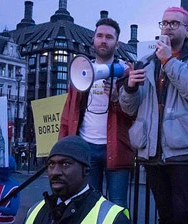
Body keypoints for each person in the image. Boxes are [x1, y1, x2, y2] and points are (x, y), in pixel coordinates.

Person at [119, 6, 188, 223]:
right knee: (165, 215)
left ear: (187, 30)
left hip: (184, 151)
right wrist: (130, 88)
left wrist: (169, 61)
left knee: (186, 215)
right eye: (165, 23)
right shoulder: (147, 61)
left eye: (174, 23)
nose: (168, 27)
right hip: (152, 152)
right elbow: (130, 109)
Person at [59, 17, 134, 208]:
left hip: (117, 147)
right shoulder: (81, 70)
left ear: (117, 43)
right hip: (86, 147)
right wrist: (62, 147)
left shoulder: (126, 73)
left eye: (109, 37)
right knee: (90, 203)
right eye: (99, 36)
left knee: (118, 204)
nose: (103, 40)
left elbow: (133, 114)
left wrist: (117, 96)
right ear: (93, 40)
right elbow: (68, 114)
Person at [24, 135, 130, 223]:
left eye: (65, 164)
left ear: (86, 171)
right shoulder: (34, 212)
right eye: (51, 164)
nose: (55, 172)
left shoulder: (113, 218)